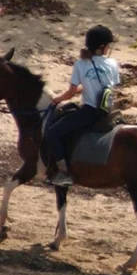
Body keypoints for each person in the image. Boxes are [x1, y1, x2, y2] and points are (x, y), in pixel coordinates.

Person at [43, 25, 120, 187]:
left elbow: (71, 92)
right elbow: (110, 87)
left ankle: (64, 172)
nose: (108, 47)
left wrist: (58, 99)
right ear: (101, 46)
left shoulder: (81, 64)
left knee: (51, 133)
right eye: (107, 44)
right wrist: (83, 88)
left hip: (90, 112)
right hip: (108, 110)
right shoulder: (112, 63)